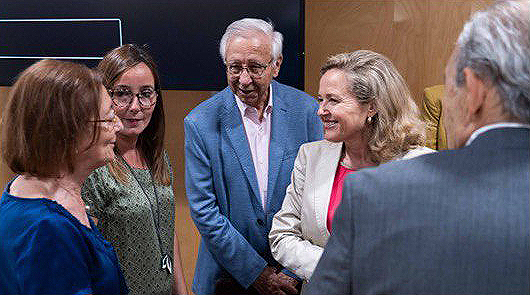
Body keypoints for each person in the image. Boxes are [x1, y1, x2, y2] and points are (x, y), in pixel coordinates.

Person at [304, 0, 530, 294]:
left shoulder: (379, 192)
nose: (321, 109)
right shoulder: (324, 161)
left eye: (451, 87)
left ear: (474, 91)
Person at [269, 50, 433, 283]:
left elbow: (433, 250)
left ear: (372, 107)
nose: (320, 110)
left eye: (333, 100)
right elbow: (282, 236)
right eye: (320, 99)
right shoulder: (310, 156)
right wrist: (338, 269)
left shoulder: (422, 167)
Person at [184, 18, 322, 295]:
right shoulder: (200, 122)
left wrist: (292, 271)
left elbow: (316, 196)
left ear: (276, 65)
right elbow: (204, 211)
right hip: (225, 280)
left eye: (255, 67)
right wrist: (257, 273)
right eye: (234, 68)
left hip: (293, 281)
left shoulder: (307, 111)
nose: (244, 79)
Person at [0, 59, 127, 294]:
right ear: (69, 131)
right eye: (109, 118)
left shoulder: (22, 192)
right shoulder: (46, 230)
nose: (118, 126)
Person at [82, 44, 187, 295]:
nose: (135, 106)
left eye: (145, 93)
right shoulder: (95, 166)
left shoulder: (157, 155)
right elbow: (85, 254)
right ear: (104, 98)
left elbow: (166, 228)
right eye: (122, 94)